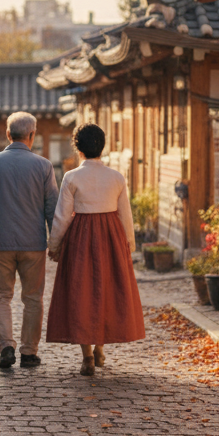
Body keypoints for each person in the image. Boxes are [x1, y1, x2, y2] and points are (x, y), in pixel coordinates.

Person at [46, 123, 145, 375]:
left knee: (82, 292)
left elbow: (62, 217)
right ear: (102, 146)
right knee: (105, 289)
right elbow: (126, 216)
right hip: (111, 236)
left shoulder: (71, 177)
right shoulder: (116, 177)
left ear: (78, 149)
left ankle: (87, 356)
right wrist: (129, 245)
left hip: (81, 236)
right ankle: (100, 348)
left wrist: (55, 245)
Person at [0, 111, 59, 370]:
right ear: (33, 135)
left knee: (0, 296)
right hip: (33, 243)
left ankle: (6, 347)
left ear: (8, 134)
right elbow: (52, 208)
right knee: (33, 298)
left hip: (0, 242)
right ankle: (29, 353)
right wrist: (55, 242)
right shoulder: (43, 166)